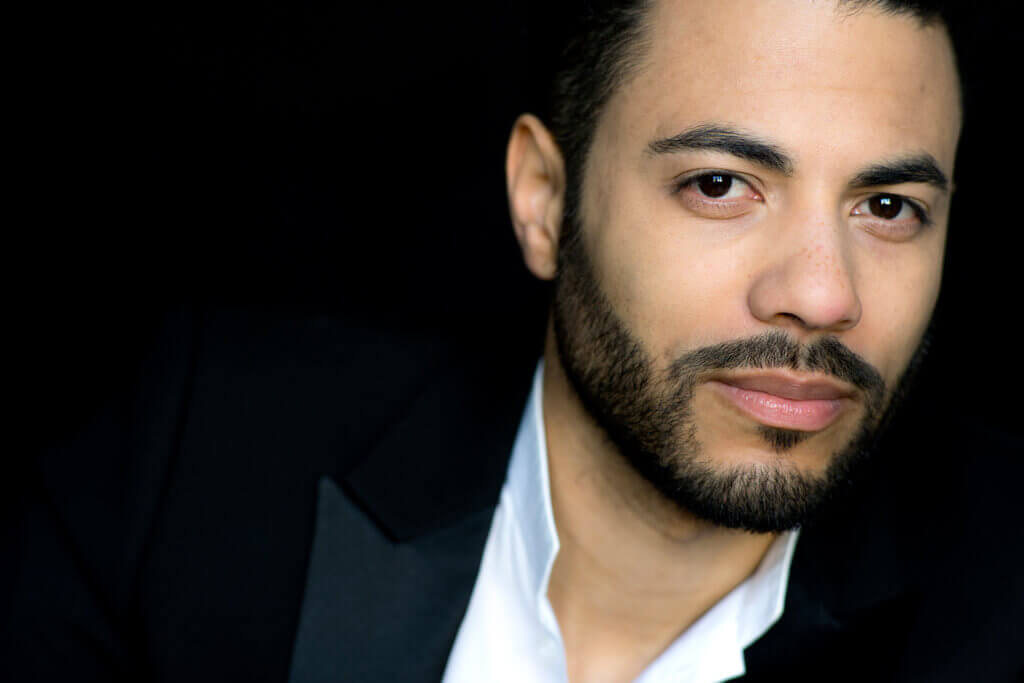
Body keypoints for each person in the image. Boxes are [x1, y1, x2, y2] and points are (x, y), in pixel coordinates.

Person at [4, 1, 1021, 682]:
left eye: (888, 206)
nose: (823, 295)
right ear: (543, 200)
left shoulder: (1000, 590)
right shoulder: (193, 457)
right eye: (720, 185)